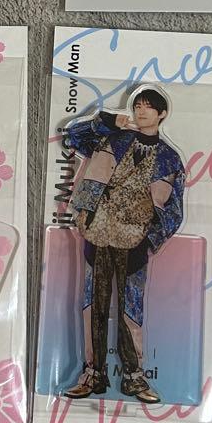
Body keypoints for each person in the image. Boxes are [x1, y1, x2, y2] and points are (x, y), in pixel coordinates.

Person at [62, 88, 185, 403]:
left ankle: (133, 376)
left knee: (131, 309)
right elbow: (73, 137)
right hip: (98, 232)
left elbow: (174, 209)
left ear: (162, 114)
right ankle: (93, 373)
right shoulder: (113, 139)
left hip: (136, 240)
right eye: (138, 106)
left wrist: (150, 239)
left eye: (148, 107)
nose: (141, 111)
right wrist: (106, 120)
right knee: (94, 304)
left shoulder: (170, 159)